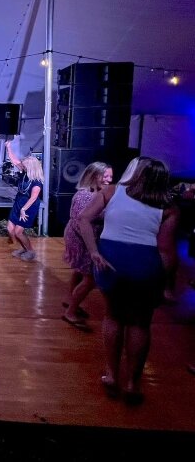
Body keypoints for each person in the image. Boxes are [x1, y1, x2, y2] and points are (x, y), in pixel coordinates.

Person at [77, 157, 178, 405]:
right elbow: (166, 252)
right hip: (145, 264)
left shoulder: (111, 192)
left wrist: (93, 252)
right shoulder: (168, 208)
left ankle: (112, 376)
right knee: (140, 323)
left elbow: (83, 219)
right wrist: (165, 284)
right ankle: (133, 383)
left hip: (112, 260)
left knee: (113, 316)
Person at [61, 162, 113, 331]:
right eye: (105, 176)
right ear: (94, 176)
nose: (109, 180)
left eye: (111, 177)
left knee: (79, 271)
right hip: (82, 239)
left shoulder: (95, 193)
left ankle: (70, 300)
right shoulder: (85, 196)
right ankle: (71, 311)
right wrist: (91, 247)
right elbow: (80, 222)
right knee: (90, 279)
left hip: (83, 238)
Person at [5, 139, 44, 262]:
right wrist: (8, 147)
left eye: (25, 166)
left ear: (31, 168)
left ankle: (30, 251)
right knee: (10, 229)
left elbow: (33, 198)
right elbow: (15, 160)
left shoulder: (37, 183)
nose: (22, 166)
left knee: (18, 231)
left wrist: (23, 209)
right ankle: (24, 248)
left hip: (28, 206)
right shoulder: (24, 173)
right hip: (19, 202)